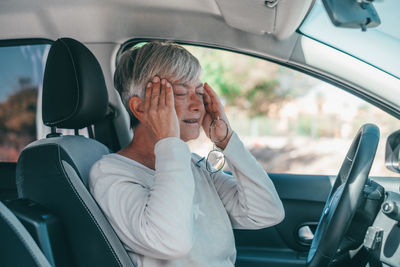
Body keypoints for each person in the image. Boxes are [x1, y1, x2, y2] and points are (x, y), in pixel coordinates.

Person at [89, 41, 284, 267]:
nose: (198, 105)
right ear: (140, 108)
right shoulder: (111, 175)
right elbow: (172, 241)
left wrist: (227, 140)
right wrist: (169, 142)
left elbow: (267, 212)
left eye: (200, 92)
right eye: (181, 93)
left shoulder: (191, 165)